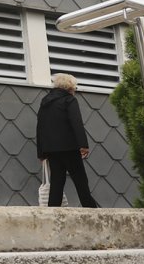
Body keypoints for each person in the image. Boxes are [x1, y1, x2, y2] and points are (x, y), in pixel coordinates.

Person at [36, 73, 100, 207]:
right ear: (70, 87)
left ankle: (53, 213)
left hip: (52, 150)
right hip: (69, 148)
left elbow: (40, 127)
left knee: (57, 183)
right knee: (81, 181)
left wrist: (41, 152)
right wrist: (83, 145)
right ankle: (92, 211)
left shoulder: (45, 102)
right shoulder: (69, 100)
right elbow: (76, 122)